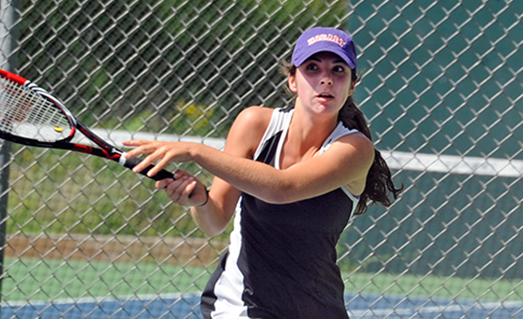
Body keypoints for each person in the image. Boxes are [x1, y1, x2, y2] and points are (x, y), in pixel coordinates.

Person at [123, 26, 402, 319]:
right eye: (312, 67)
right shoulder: (255, 124)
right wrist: (200, 200)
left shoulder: (355, 149)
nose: (325, 79)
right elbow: (215, 219)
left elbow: (283, 189)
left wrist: (196, 151)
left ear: (352, 85)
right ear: (292, 80)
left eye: (338, 70)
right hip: (240, 307)